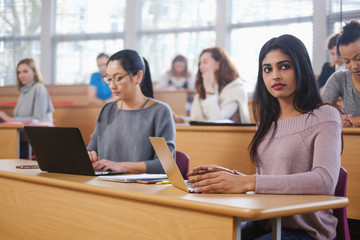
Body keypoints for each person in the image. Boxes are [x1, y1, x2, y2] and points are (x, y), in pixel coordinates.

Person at [187, 35, 342, 240]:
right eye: (267, 69)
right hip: (269, 221)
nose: (275, 76)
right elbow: (271, 178)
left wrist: (247, 183)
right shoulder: (267, 120)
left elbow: (324, 181)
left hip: (308, 230)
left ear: (301, 69)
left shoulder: (324, 115)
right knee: (207, 234)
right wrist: (233, 178)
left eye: (284, 66)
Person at [87, 49, 175, 174]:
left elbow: (164, 164)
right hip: (105, 186)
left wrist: (119, 166)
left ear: (138, 77)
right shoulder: (107, 111)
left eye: (118, 78)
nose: (112, 86)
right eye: (108, 79)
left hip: (141, 190)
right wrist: (89, 156)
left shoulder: (159, 112)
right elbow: (91, 150)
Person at [173, 47, 250, 123]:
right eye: (200, 63)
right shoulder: (204, 88)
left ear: (218, 64)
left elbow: (217, 121)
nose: (200, 67)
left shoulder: (237, 89)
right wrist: (178, 119)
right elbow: (196, 120)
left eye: (205, 62)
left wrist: (209, 89)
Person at [322, 20, 360, 128]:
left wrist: (350, 121)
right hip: (350, 139)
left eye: (358, 58)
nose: (354, 66)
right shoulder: (339, 78)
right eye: (347, 61)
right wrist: (338, 116)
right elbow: (321, 110)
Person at [0, 58, 54, 123]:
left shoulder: (39, 88)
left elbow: (38, 119)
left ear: (34, 72)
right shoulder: (23, 91)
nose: (21, 75)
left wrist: (10, 119)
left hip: (38, 132)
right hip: (23, 131)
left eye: (25, 71)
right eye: (19, 72)